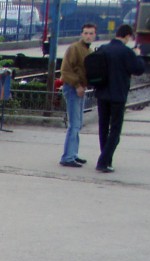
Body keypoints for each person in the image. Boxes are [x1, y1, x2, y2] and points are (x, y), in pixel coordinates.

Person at [94, 23, 145, 173]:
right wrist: (138, 55)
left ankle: (106, 158)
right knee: (115, 130)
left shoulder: (103, 48)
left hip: (102, 94)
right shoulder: (126, 52)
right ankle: (103, 162)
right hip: (117, 96)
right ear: (128, 36)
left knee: (103, 128)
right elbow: (138, 69)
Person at [59, 23, 96, 168]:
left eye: (91, 33)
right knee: (74, 124)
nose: (88, 36)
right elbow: (66, 70)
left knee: (78, 123)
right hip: (73, 88)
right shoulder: (75, 49)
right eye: (86, 33)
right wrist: (77, 85)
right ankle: (67, 156)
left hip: (80, 88)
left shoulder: (88, 50)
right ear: (81, 34)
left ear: (94, 35)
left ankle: (73, 154)